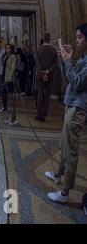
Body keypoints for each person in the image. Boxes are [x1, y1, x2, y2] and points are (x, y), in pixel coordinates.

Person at [45, 23, 87, 204]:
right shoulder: (83, 59)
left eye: (79, 37)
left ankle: (64, 193)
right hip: (71, 104)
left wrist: (68, 61)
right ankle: (57, 174)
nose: (77, 41)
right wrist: (65, 60)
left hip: (78, 108)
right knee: (64, 144)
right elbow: (69, 80)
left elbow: (77, 83)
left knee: (70, 151)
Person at [35, 32, 58, 122]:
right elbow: (55, 64)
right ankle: (44, 115)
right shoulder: (53, 50)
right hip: (50, 75)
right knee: (47, 95)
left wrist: (42, 72)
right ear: (50, 39)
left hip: (40, 76)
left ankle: (39, 114)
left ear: (43, 39)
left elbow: (37, 63)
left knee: (40, 94)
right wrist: (48, 71)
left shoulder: (38, 49)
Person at [0, 44, 16, 113]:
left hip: (7, 76)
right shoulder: (5, 56)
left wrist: (9, 78)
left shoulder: (13, 57)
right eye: (6, 48)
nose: (7, 49)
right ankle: (4, 106)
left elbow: (12, 68)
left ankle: (5, 107)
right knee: (2, 91)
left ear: (11, 49)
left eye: (8, 48)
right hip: (2, 75)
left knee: (4, 91)